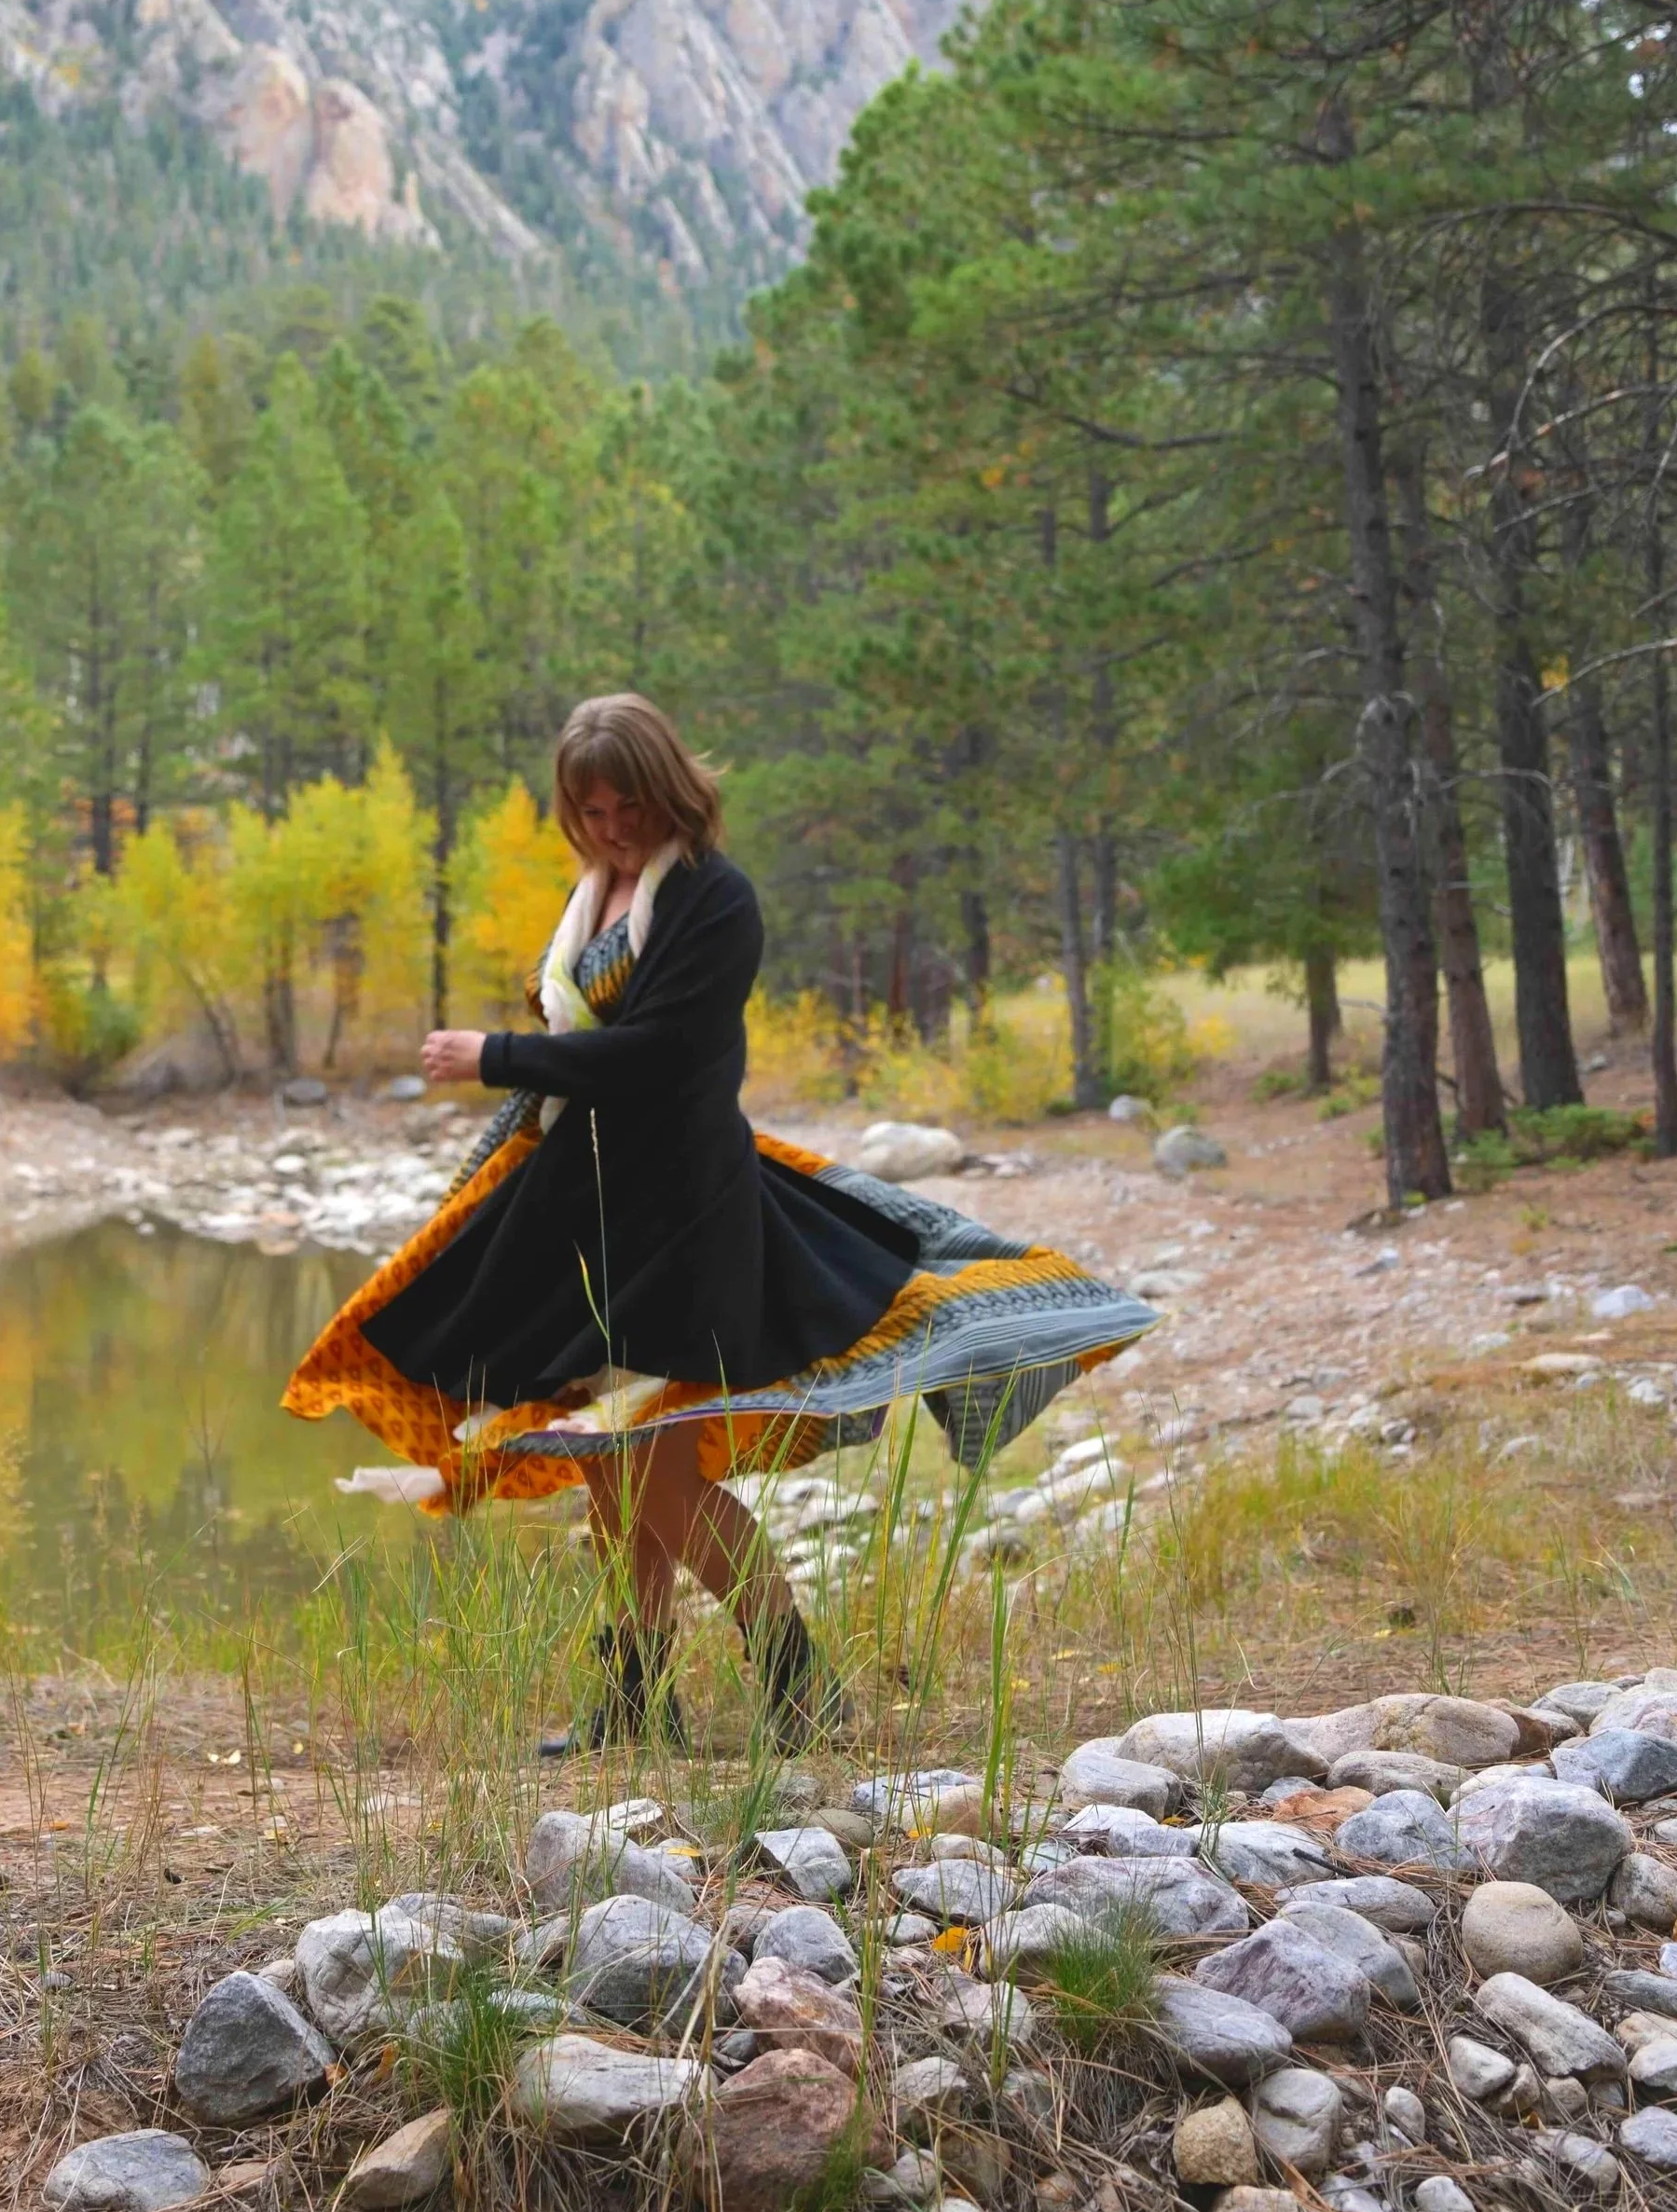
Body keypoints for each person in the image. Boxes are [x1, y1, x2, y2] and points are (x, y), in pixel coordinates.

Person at [285, 693, 1155, 1749]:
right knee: (613, 1468)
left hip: (682, 1218)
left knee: (655, 1471)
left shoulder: (714, 898)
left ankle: (799, 1684)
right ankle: (633, 1696)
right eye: (592, 811)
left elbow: (660, 1054)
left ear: (672, 790)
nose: (613, 828)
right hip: (586, 1214)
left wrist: (497, 1056)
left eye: (630, 806)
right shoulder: (594, 898)